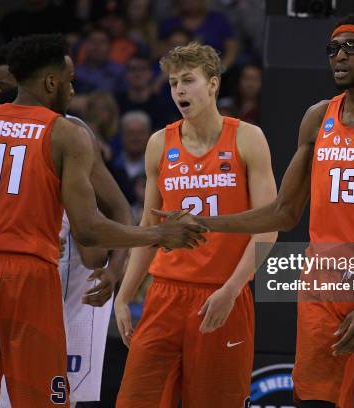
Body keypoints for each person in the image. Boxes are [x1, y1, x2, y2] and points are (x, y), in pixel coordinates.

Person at [159, 13, 354, 407]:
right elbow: (282, 211)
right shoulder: (318, 117)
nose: (339, 56)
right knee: (314, 399)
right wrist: (205, 221)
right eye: (333, 49)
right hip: (323, 281)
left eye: (352, 47)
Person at [0, 33, 205, 407]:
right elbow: (88, 228)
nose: (73, 90)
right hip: (29, 278)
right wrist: (159, 232)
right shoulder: (66, 134)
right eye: (70, 82)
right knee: (42, 400)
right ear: (51, 82)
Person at [114, 41, 278, 407]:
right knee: (134, 400)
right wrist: (124, 296)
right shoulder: (160, 143)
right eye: (173, 83)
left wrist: (233, 288)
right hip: (165, 294)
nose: (179, 91)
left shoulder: (247, 138)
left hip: (222, 294)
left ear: (214, 84)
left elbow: (268, 227)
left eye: (188, 80)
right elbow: (148, 227)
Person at [0, 39, 136, 408]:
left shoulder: (71, 133)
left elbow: (104, 232)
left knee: (54, 397)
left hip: (65, 288)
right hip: (4, 279)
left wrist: (115, 270)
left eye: (4, 87)